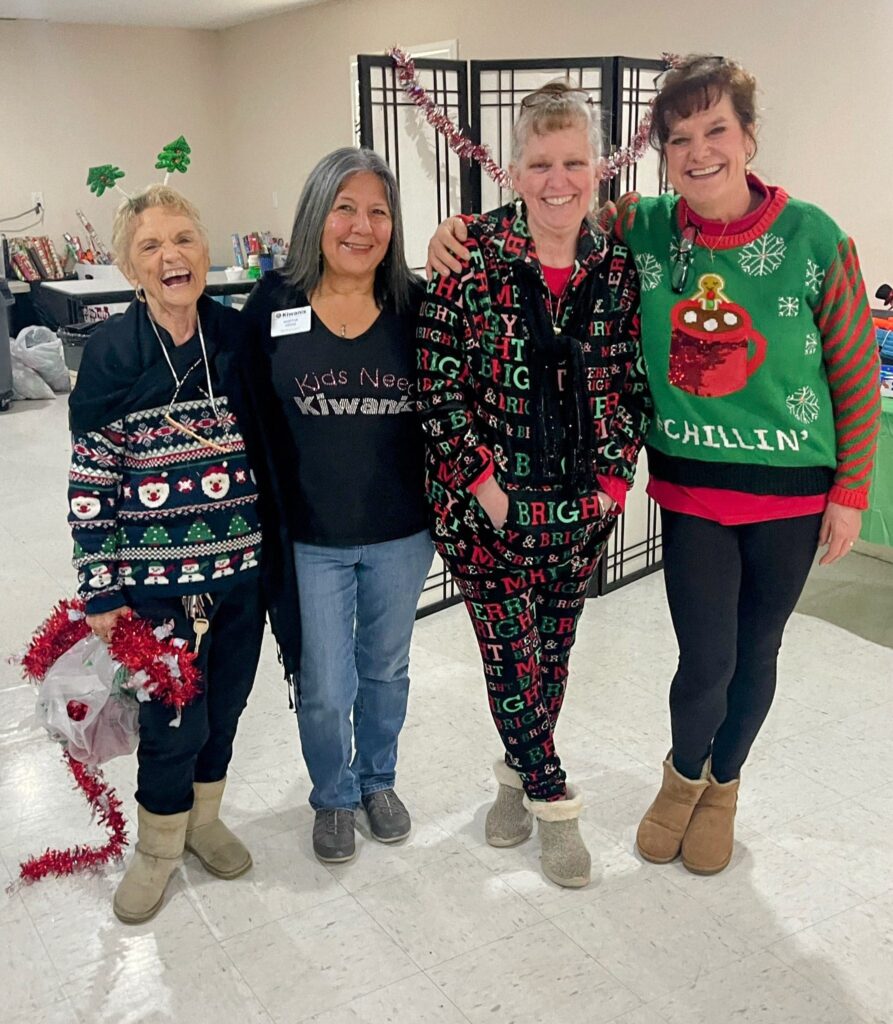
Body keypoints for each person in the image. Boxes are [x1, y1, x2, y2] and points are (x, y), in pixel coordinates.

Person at [429, 56, 881, 876]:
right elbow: (546, 225)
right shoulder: (642, 228)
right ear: (660, 153)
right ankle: (624, 788)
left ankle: (720, 786)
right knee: (703, 659)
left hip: (780, 492)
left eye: (716, 131)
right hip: (682, 494)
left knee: (755, 653)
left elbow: (852, 366)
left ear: (747, 137)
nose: (699, 150)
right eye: (679, 138)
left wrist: (850, 490)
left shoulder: (809, 237)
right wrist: (451, 232)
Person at [418, 82, 650, 888]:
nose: (559, 180)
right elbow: (438, 389)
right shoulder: (469, 253)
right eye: (541, 163)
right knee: (508, 657)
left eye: (574, 162)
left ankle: (514, 776)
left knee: (550, 655)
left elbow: (631, 381)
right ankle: (554, 803)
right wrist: (488, 493)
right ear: (513, 170)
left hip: (581, 510)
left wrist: (613, 487)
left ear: (598, 170)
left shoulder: (615, 264)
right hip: (484, 512)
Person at [68, 185, 282, 923]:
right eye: (152, 245)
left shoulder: (233, 336)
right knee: (170, 722)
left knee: (224, 709)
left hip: (241, 573)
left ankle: (203, 822)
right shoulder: (110, 352)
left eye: (185, 239)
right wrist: (99, 588)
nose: (172, 256)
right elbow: (92, 478)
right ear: (131, 265)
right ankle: (157, 847)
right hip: (153, 585)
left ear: (204, 250)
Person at [240, 148, 433, 865]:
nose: (361, 226)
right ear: (315, 216)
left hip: (400, 533)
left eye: (378, 211)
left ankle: (378, 781)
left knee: (384, 668)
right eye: (344, 208)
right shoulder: (271, 305)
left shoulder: (416, 305)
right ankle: (333, 794)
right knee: (322, 681)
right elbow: (246, 411)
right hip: (309, 537)